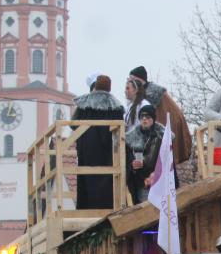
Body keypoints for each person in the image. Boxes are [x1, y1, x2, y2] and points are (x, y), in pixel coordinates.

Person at [73, 73, 126, 209]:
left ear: (95, 86)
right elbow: (121, 129)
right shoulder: (116, 106)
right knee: (108, 181)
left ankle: (86, 207)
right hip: (108, 151)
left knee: (87, 181)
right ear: (109, 88)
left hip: (87, 150)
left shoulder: (84, 104)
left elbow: (73, 125)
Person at [125, 66, 192, 166]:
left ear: (137, 80)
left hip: (157, 140)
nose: (128, 82)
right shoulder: (137, 101)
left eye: (130, 79)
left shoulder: (148, 100)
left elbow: (173, 117)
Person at [125, 104, 164, 205]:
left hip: (159, 181)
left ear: (153, 119)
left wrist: (156, 174)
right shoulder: (130, 139)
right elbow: (127, 160)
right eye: (142, 117)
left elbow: (167, 160)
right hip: (140, 182)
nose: (144, 119)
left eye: (148, 117)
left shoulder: (162, 137)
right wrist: (132, 165)